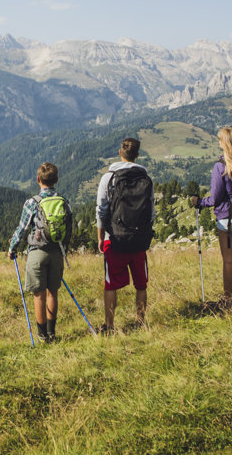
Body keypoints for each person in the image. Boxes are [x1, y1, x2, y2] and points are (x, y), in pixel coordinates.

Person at [188, 125, 232, 304]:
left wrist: (199, 203)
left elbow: (215, 198)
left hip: (226, 218)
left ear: (223, 142)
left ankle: (227, 298)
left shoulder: (220, 166)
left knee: (229, 261)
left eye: (220, 139)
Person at [8, 162, 73, 343]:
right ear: (57, 179)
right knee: (53, 292)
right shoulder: (64, 201)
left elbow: (21, 229)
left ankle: (42, 336)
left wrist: (12, 248)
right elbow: (69, 229)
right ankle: (52, 333)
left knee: (39, 294)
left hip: (37, 252)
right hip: (56, 252)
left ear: (38, 180)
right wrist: (63, 251)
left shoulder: (32, 203)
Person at [95, 137, 155, 333]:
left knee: (111, 284)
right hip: (139, 240)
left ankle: (110, 326)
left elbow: (101, 210)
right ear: (137, 155)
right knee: (141, 284)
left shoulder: (108, 177)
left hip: (115, 239)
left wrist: (100, 237)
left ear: (120, 152)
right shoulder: (146, 178)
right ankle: (140, 322)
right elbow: (151, 212)